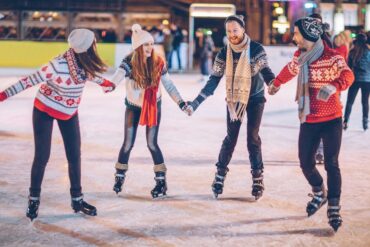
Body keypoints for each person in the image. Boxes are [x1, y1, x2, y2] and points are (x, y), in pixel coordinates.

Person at [0, 29, 116, 220]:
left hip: (68, 112)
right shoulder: (57, 65)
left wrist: (106, 83)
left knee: (74, 155)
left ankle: (77, 200)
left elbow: (92, 76)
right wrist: (3, 95)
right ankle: (34, 199)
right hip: (44, 109)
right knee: (42, 156)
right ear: (87, 47)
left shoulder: (84, 65)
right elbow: (28, 81)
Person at [268, 17, 354, 231]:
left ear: (307, 35)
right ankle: (319, 192)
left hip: (332, 119)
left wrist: (334, 86)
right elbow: (290, 70)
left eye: (296, 33)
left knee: (331, 164)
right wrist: (276, 83)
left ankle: (334, 206)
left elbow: (348, 74)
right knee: (306, 162)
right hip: (309, 118)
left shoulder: (332, 56)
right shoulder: (300, 57)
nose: (294, 36)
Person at [186, 15, 276, 200]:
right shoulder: (224, 52)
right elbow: (213, 80)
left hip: (256, 99)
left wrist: (273, 83)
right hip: (234, 101)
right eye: (229, 31)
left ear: (243, 29)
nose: (232, 34)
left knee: (252, 138)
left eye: (235, 30)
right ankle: (220, 175)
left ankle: (257, 177)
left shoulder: (256, 49)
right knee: (231, 138)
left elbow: (266, 70)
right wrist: (195, 103)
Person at [110, 24, 188, 199]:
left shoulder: (158, 62)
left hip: (153, 105)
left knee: (152, 143)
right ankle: (119, 176)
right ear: (138, 47)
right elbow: (118, 74)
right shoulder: (129, 62)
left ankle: (161, 181)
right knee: (128, 143)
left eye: (151, 44)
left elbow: (169, 85)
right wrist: (111, 85)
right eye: (146, 45)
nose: (149, 48)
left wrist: (181, 103)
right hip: (133, 106)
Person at [343, 33, 370, 131]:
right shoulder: (369, 52)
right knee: (365, 102)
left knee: (350, 102)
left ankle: (345, 121)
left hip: (355, 80)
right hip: (367, 80)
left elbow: (348, 67)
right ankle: (365, 122)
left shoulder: (352, 52)